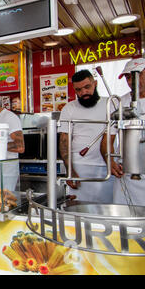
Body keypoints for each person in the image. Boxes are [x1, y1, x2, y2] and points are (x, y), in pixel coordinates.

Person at [58, 70, 114, 203]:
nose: (83, 92)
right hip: (79, 168)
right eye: (78, 90)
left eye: (87, 87)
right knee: (79, 211)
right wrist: (70, 170)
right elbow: (64, 141)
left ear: (95, 84)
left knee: (107, 211)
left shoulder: (111, 104)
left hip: (107, 167)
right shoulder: (69, 108)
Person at [101, 58, 145, 206]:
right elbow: (108, 138)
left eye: (136, 75)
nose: (131, 81)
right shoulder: (119, 102)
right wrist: (110, 160)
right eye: (127, 77)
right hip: (126, 172)